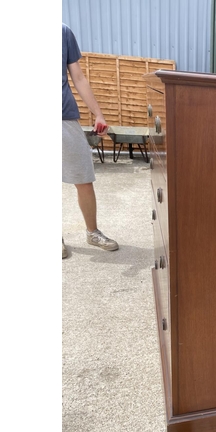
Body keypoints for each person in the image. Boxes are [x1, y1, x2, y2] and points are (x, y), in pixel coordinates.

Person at [62, 23, 118, 259]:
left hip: (63, 116)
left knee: (84, 177)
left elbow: (78, 76)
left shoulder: (62, 32)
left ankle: (92, 232)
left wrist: (98, 113)